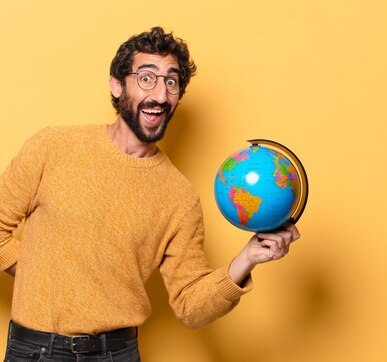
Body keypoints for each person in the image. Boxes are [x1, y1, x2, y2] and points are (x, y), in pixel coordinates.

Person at [0, 27, 300, 361]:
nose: (159, 93)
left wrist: (247, 259)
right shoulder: (53, 147)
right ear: (117, 84)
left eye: (171, 82)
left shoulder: (179, 198)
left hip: (117, 354)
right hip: (35, 351)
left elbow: (190, 306)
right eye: (147, 78)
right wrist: (38, 276)